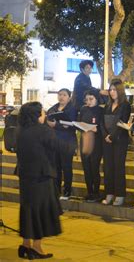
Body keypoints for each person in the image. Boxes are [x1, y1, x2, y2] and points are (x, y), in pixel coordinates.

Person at [16, 102, 75, 259]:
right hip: (41, 176)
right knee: (40, 211)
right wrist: (74, 147)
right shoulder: (43, 130)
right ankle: (36, 247)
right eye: (42, 113)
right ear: (36, 115)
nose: (44, 115)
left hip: (26, 176)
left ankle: (25, 244)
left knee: (28, 209)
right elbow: (58, 146)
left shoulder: (21, 130)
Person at [100, 78, 131, 206]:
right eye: (110, 90)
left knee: (118, 167)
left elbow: (122, 122)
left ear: (120, 91)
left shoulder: (125, 105)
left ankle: (120, 194)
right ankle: (109, 193)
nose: (112, 92)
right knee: (108, 167)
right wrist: (106, 135)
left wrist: (112, 136)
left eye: (114, 90)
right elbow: (102, 122)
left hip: (119, 139)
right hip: (107, 140)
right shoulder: (107, 105)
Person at [46, 88, 78, 200]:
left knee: (66, 167)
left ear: (69, 97)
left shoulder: (72, 109)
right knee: (56, 167)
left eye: (64, 95)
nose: (61, 97)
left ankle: (67, 191)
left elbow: (71, 126)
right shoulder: (53, 108)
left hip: (67, 142)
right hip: (54, 141)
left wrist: (57, 125)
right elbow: (47, 119)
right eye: (60, 94)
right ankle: (56, 189)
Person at [78, 89, 104, 202]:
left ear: (97, 99)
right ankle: (89, 192)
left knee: (94, 168)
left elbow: (104, 126)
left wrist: (96, 129)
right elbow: (78, 123)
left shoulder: (100, 110)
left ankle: (96, 192)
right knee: (86, 168)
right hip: (85, 141)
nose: (88, 102)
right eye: (87, 99)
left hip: (96, 142)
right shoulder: (83, 109)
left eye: (91, 99)